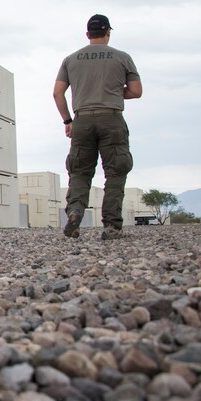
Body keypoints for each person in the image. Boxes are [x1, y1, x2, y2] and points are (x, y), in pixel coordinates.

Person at [53, 14, 142, 240]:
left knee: (80, 171)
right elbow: (136, 91)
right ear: (108, 33)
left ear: (87, 34)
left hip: (82, 120)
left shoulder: (70, 60)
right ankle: (111, 226)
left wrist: (68, 121)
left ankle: (74, 212)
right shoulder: (123, 57)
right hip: (111, 118)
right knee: (115, 171)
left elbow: (57, 93)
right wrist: (111, 91)